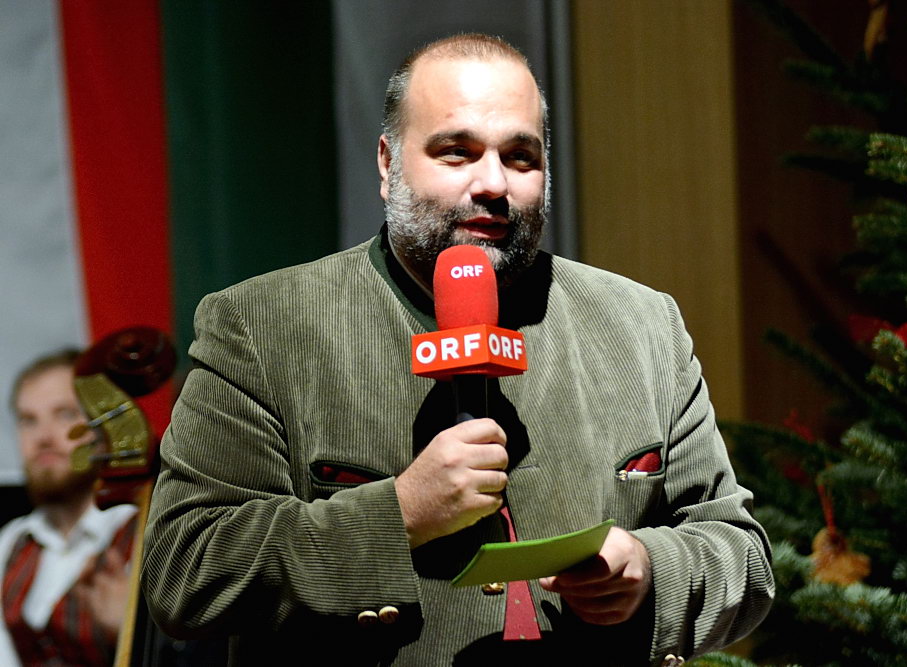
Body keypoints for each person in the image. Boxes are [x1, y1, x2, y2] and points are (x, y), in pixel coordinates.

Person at [142, 33, 774, 665]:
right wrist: (398, 515)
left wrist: (650, 568)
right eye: (456, 152)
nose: (493, 183)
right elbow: (184, 569)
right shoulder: (260, 327)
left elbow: (743, 557)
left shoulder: (642, 325)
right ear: (388, 163)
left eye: (520, 157)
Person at [0, 349, 136, 666]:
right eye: (28, 420)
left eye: (65, 414)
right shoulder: (10, 542)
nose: (43, 437)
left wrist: (133, 626)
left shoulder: (142, 533)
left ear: (104, 428)